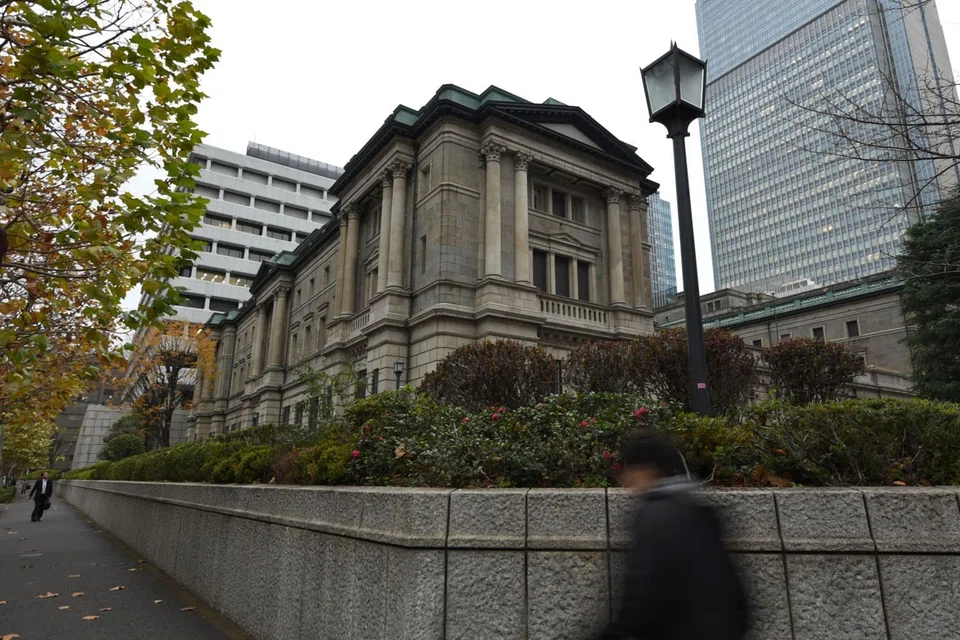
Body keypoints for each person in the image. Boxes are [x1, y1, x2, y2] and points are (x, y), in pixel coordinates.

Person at [596, 430, 750, 640]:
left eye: (629, 468)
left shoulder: (654, 516)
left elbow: (640, 596)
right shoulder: (700, 509)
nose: (626, 478)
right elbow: (737, 599)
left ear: (647, 470)